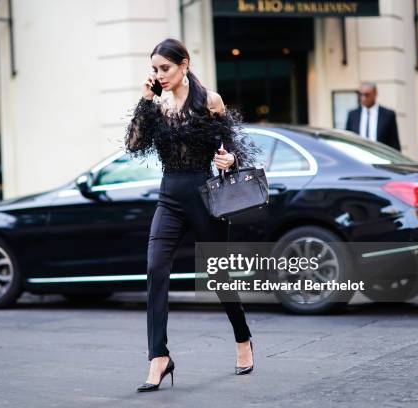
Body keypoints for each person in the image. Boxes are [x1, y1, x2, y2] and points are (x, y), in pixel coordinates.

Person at [124, 38, 259, 392]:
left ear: (184, 64)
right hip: (169, 197)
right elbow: (134, 144)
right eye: (155, 69)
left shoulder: (209, 101)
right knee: (155, 269)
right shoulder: (158, 104)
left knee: (218, 275)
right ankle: (159, 357)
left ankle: (243, 338)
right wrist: (146, 100)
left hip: (203, 196)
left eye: (165, 68)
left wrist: (228, 159)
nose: (159, 75)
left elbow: (231, 145)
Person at [345, 82, 401, 151]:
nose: (363, 98)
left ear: (375, 94)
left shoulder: (388, 115)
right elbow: (347, 140)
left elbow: (394, 144)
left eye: (367, 95)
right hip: (358, 158)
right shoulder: (353, 115)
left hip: (381, 158)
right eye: (361, 95)